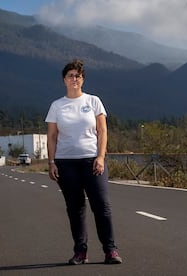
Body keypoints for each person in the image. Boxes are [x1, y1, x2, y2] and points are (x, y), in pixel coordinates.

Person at [45, 59, 122, 265]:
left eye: (78, 76)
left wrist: (100, 157)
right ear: (64, 79)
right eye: (70, 75)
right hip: (66, 163)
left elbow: (102, 131)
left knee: (102, 206)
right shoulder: (57, 106)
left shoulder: (93, 101)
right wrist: (51, 162)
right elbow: (51, 136)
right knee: (75, 208)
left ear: (83, 79)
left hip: (92, 161)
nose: (74, 79)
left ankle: (110, 250)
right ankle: (80, 252)